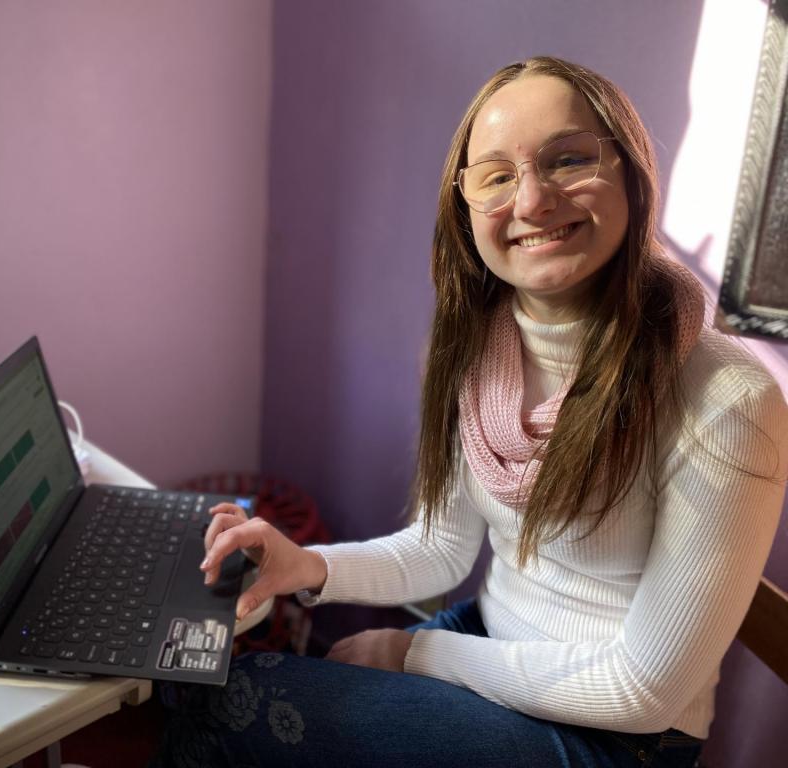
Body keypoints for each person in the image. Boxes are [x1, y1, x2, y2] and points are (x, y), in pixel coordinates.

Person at [152, 56, 788, 768]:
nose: (534, 200)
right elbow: (440, 548)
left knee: (231, 699)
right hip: (494, 643)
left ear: (631, 170)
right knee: (220, 681)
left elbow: (645, 690)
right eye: (497, 176)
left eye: (569, 158)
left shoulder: (728, 398)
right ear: (465, 208)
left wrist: (414, 651)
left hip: (619, 735)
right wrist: (304, 566)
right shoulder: (479, 347)